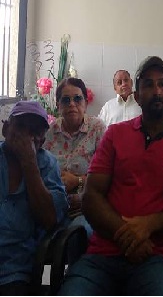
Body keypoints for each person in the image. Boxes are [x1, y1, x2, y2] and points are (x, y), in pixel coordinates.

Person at [58, 56, 163, 296]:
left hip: (152, 257)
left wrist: (149, 224)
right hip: (102, 255)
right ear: (137, 95)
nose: (157, 91)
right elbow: (91, 197)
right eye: (149, 84)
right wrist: (128, 237)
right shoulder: (115, 134)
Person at [0, 101, 68, 296]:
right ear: (5, 129)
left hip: (15, 269)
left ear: (42, 140)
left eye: (35, 132)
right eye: (21, 127)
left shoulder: (46, 164)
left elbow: (49, 219)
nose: (27, 137)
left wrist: (29, 162)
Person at [44, 77, 106, 236]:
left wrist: (77, 181)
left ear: (86, 103)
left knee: (77, 235)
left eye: (77, 99)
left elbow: (108, 175)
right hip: (53, 206)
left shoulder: (97, 129)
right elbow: (41, 171)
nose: (72, 104)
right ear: (58, 105)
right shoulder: (50, 131)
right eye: (66, 100)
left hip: (86, 206)